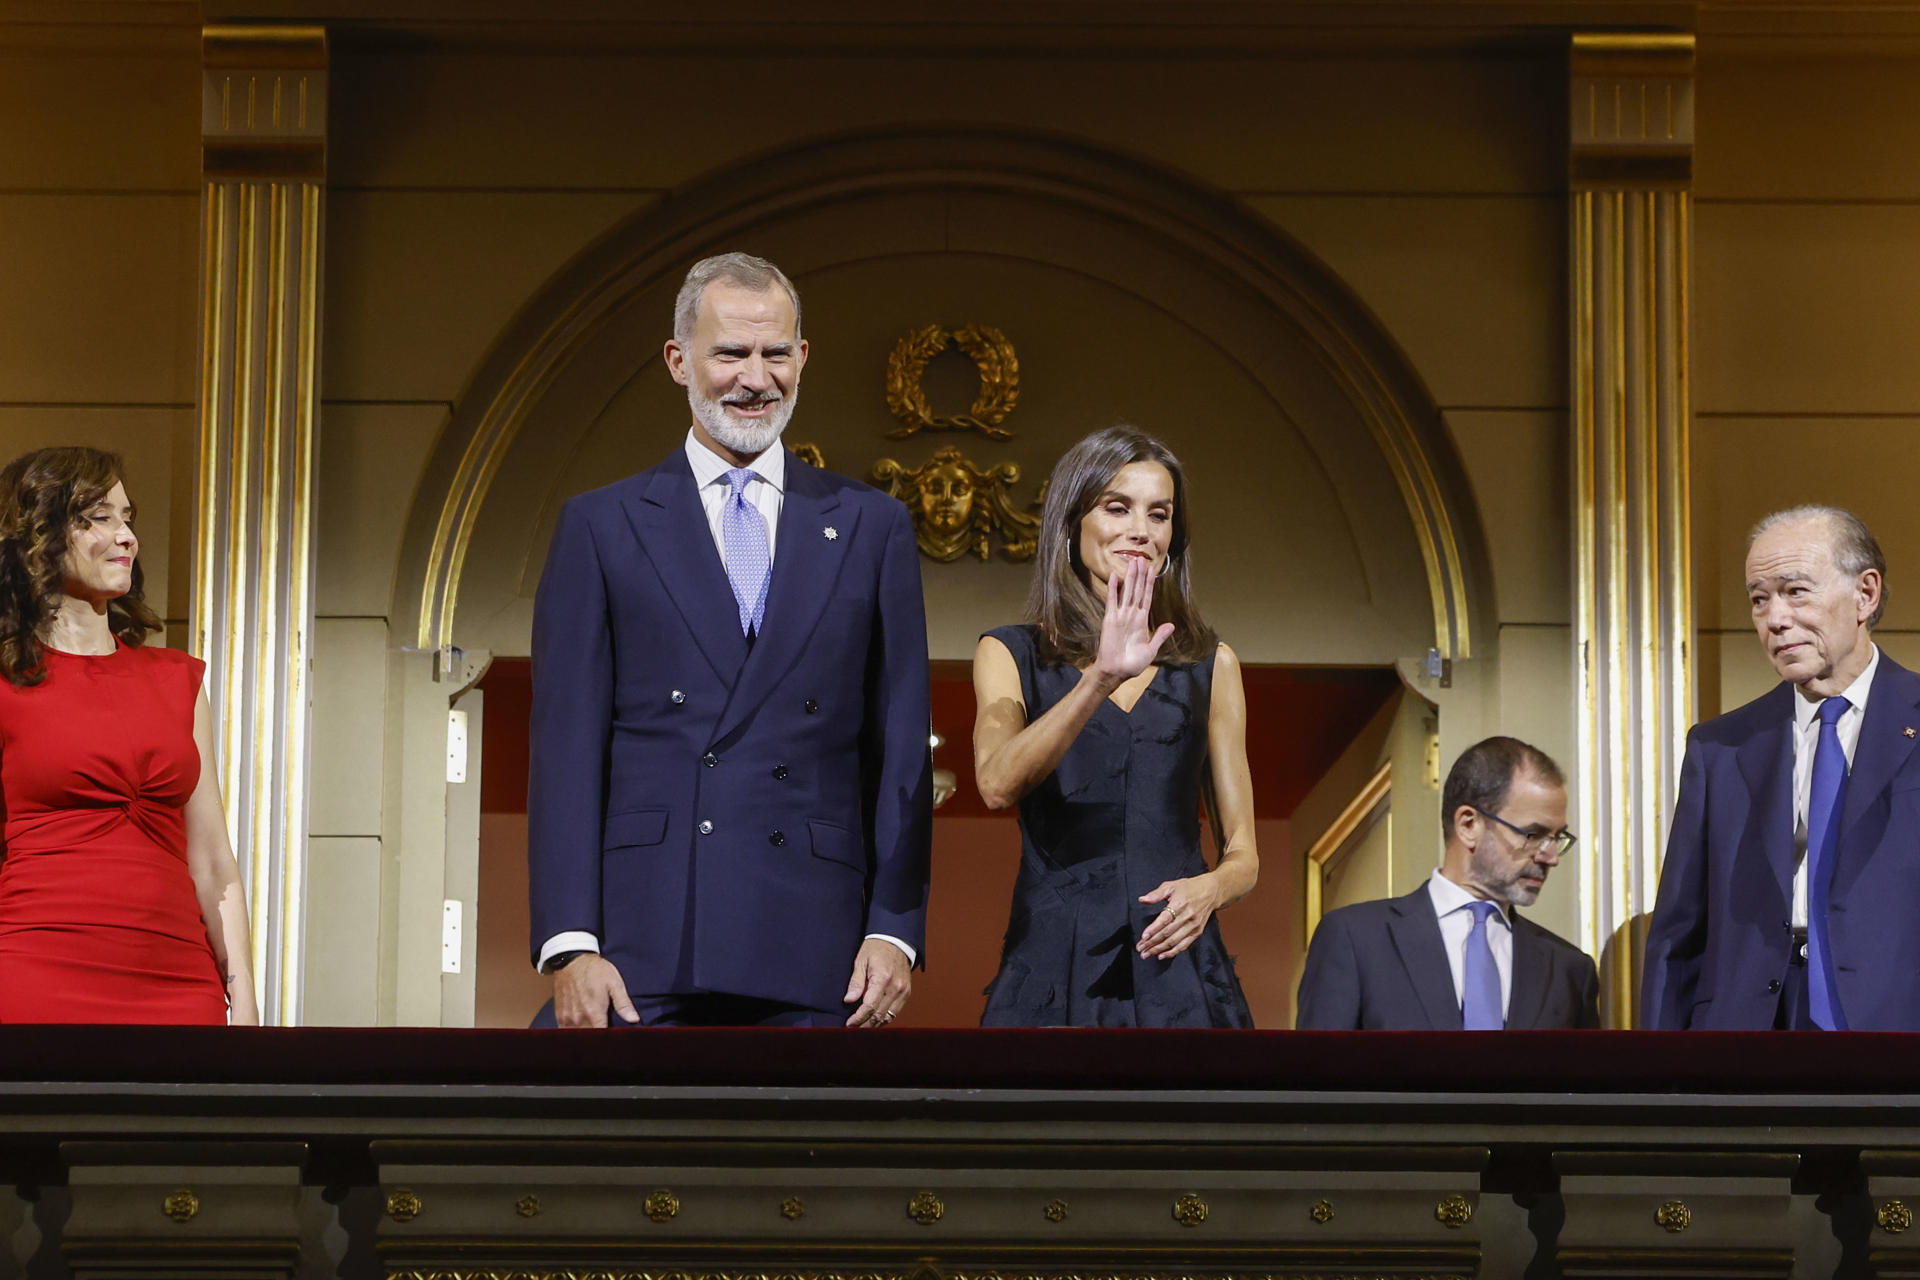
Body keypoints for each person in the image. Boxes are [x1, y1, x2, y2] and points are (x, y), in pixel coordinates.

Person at [527, 252, 933, 1029]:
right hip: (642, 942)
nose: (756, 378)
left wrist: (894, 928)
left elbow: (899, 747)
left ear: (802, 358)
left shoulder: (872, 525)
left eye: (775, 353)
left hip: (821, 945)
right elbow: (566, 750)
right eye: (730, 354)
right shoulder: (601, 526)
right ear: (680, 362)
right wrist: (571, 943)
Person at [972, 427, 1256, 1027]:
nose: (1140, 530)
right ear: (1073, 523)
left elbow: (1244, 855)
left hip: (1177, 971)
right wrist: (1098, 678)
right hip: (1053, 965)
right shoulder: (1011, 653)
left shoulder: (1211, 666)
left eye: (1159, 515)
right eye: (1117, 507)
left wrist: (1210, 889)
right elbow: (996, 784)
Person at [0, 446, 256, 1024]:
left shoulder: (176, 681)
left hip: (176, 984)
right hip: (33, 974)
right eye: (101, 517)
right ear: (41, 533)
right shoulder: (6, 682)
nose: (127, 536)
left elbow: (213, 859)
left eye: (129, 517)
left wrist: (242, 997)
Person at [1645, 505, 1920, 1031]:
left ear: (1866, 593)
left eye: (1795, 591)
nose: (1775, 619)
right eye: (1758, 599)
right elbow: (1677, 934)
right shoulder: (1721, 747)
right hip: (1747, 1031)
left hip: (1894, 1027)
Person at [1295, 737, 1599, 1030]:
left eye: (1557, 838)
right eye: (1533, 835)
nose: (1551, 857)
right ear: (1468, 825)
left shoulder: (1569, 970)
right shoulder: (1355, 939)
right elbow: (1317, 1077)